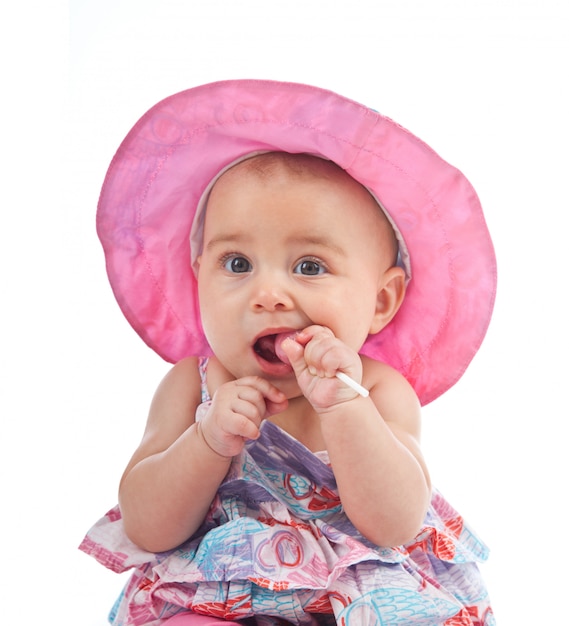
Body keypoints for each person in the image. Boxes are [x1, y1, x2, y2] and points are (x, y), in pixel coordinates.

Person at [80, 80, 497, 626]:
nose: (268, 294)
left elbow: (394, 522)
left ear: (381, 300)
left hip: (357, 591)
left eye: (309, 267)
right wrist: (206, 440)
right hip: (218, 589)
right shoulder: (193, 384)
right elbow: (146, 525)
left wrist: (346, 409)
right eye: (236, 263)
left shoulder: (377, 389)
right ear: (198, 274)